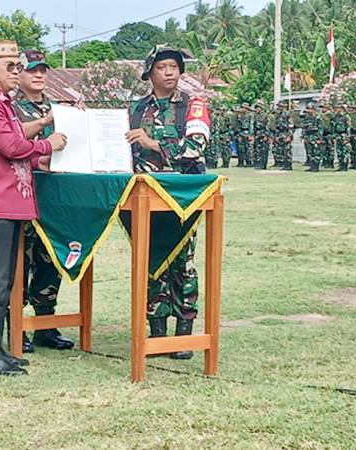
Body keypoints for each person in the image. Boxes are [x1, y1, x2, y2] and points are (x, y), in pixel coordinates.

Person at [0, 40, 68, 376]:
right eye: (9, 66)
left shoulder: (2, 102)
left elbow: (17, 143)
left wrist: (42, 154)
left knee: (4, 282)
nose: (16, 72)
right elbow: (10, 145)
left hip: (8, 203)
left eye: (17, 66)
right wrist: (47, 143)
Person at [125, 45, 210, 359]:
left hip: (182, 197)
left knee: (183, 266)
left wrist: (153, 143)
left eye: (175, 66)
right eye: (163, 67)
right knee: (151, 264)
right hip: (144, 197)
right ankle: (157, 332)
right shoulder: (135, 109)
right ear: (150, 72)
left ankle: (184, 336)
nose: (170, 72)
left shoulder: (193, 105)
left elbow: (194, 148)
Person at [10, 49, 75, 352]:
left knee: (50, 259)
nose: (38, 75)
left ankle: (45, 326)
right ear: (18, 73)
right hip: (24, 191)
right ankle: (17, 326)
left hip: (55, 195)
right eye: (31, 70)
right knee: (21, 259)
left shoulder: (58, 108)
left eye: (43, 71)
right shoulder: (9, 107)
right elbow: (11, 140)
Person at [299, 102, 323, 172]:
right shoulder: (307, 117)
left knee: (316, 152)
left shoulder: (318, 117)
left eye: (310, 109)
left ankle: (316, 167)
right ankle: (312, 166)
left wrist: (320, 138)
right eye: (308, 109)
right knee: (310, 152)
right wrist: (303, 136)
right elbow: (304, 127)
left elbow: (321, 128)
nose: (309, 110)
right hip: (308, 136)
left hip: (315, 136)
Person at [274, 102, 294, 170]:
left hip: (286, 133)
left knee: (287, 149)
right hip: (280, 133)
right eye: (279, 106)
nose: (279, 107)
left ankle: (288, 165)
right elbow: (277, 126)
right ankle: (284, 164)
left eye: (280, 106)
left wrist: (289, 136)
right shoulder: (278, 114)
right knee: (281, 150)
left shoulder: (288, 113)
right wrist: (277, 136)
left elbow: (291, 125)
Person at [331, 103, 351, 171]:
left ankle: (345, 166)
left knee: (345, 151)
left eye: (338, 107)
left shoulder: (346, 117)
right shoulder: (336, 117)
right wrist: (334, 136)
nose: (337, 109)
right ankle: (341, 165)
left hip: (344, 135)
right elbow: (334, 127)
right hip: (337, 135)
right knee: (339, 151)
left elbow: (348, 128)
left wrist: (347, 138)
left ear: (342, 108)